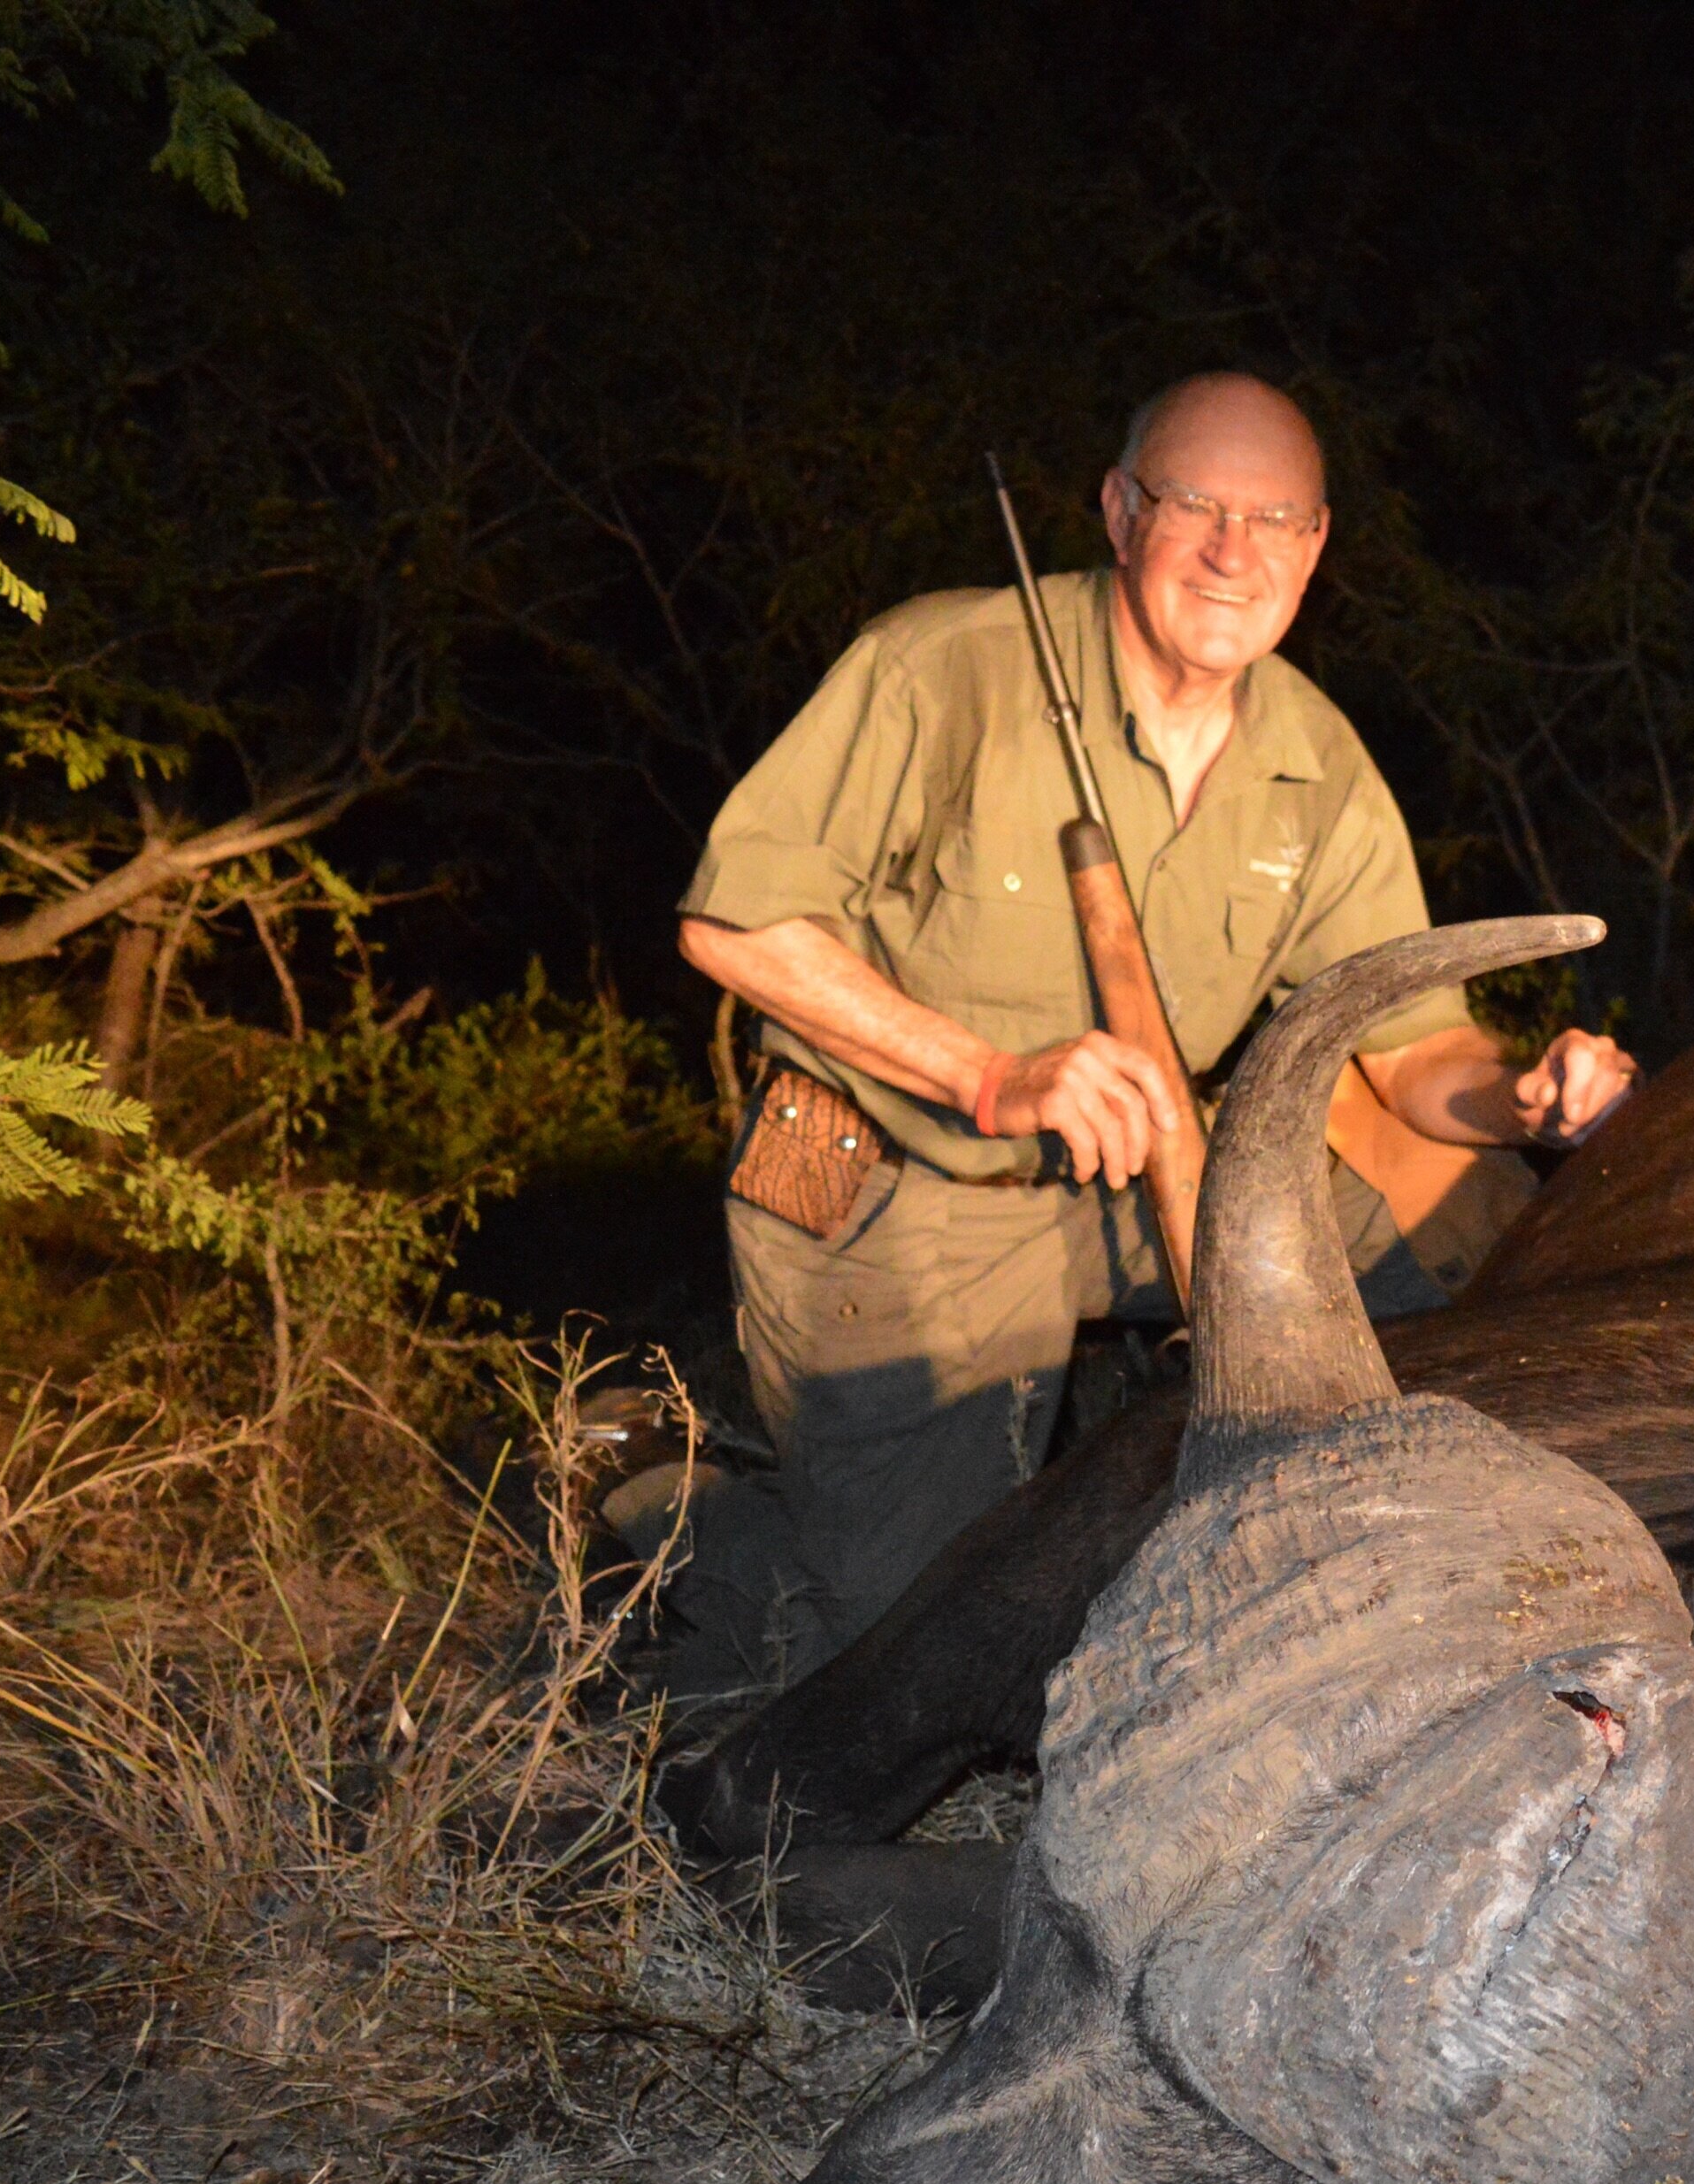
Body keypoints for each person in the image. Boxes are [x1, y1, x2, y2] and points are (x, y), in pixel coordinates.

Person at [629, 372, 1636, 1690]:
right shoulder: (940, 666)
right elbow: (735, 925)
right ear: (1118, 509)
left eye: (1275, 518)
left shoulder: (1318, 760)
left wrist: (1523, 1101)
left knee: (1483, 1211)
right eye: (1196, 506)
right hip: (899, 1180)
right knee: (921, 1650)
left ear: (1317, 543)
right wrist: (988, 1076)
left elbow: (1411, 1058)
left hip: (1153, 1165)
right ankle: (664, 1499)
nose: (1235, 552)